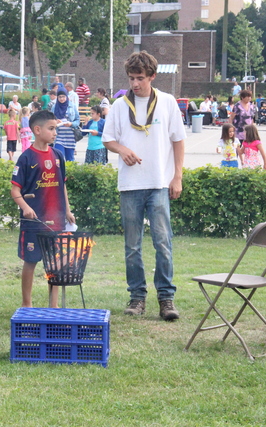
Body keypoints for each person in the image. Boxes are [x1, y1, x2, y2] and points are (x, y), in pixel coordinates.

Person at [102, 51, 186, 321]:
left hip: (159, 182)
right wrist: (122, 149)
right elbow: (108, 139)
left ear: (152, 76)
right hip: (130, 185)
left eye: (140, 78)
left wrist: (177, 177)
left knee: (163, 242)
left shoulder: (167, 102)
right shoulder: (119, 105)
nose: (135, 84)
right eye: (131, 78)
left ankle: (166, 298)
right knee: (132, 246)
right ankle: (137, 296)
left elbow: (178, 140)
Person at [11, 109, 76, 308]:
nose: (55, 132)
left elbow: (61, 184)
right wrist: (25, 207)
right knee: (30, 262)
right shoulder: (26, 158)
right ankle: (26, 303)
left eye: (55, 128)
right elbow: (15, 190)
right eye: (51, 128)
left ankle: (53, 305)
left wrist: (67, 210)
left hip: (55, 221)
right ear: (37, 130)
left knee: (55, 264)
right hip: (33, 223)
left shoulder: (58, 155)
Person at [51, 89, 80, 161]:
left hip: (70, 137)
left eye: (63, 97)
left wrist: (71, 124)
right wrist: (55, 122)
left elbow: (77, 120)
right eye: (60, 97)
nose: (61, 99)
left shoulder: (72, 106)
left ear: (66, 97)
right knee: (59, 158)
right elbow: (49, 120)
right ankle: (60, 172)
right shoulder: (54, 107)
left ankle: (69, 172)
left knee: (70, 160)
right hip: (59, 136)